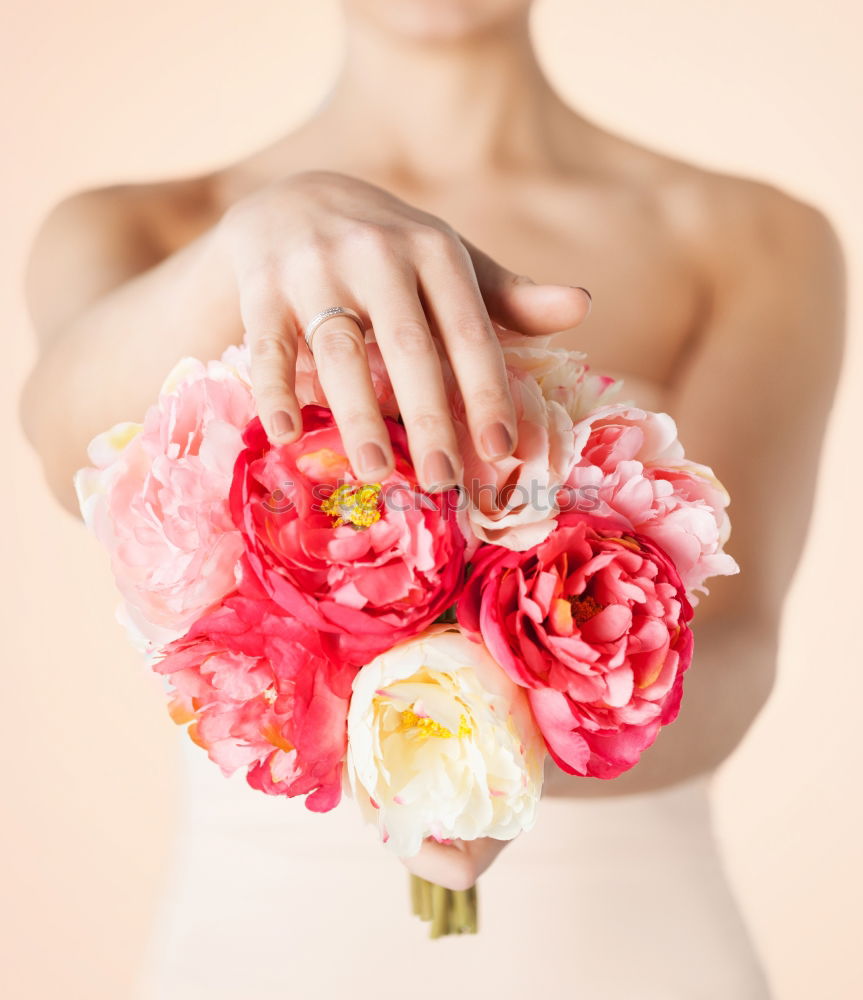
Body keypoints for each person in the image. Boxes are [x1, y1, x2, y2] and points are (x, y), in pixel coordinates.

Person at [19, 1, 845, 996]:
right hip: (261, 952)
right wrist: (254, 244)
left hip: (630, 950)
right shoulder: (134, 229)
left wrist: (497, 747)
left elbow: (738, 646)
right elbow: (62, 444)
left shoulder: (755, 237)